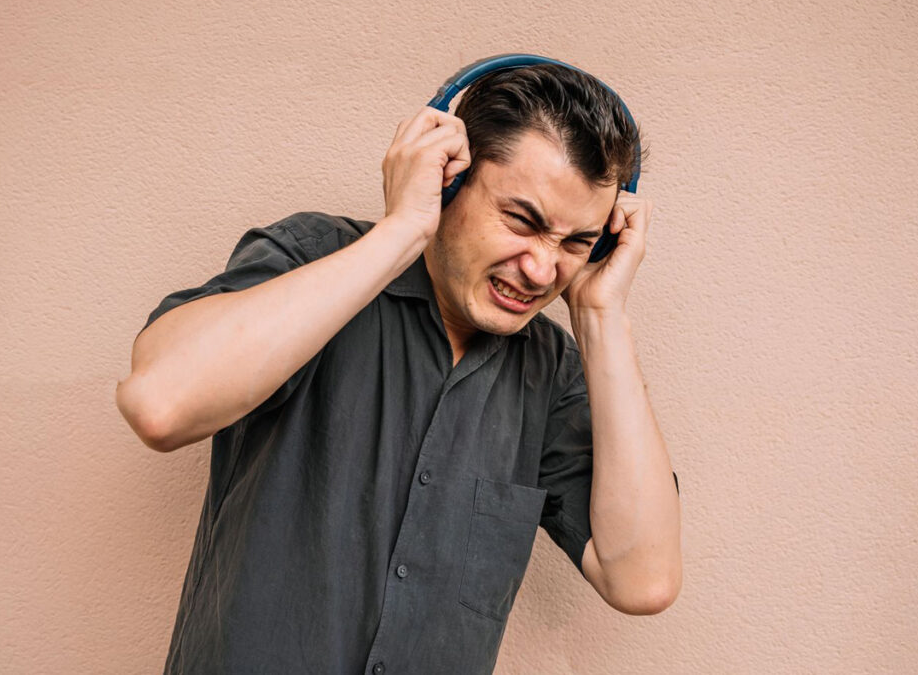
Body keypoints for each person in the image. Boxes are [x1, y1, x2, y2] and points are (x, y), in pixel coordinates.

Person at [115, 63, 683, 675]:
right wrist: (405, 227)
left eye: (575, 243)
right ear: (448, 180)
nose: (543, 271)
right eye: (522, 221)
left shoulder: (551, 373)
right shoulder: (312, 257)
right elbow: (160, 404)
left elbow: (643, 580)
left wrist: (599, 316)